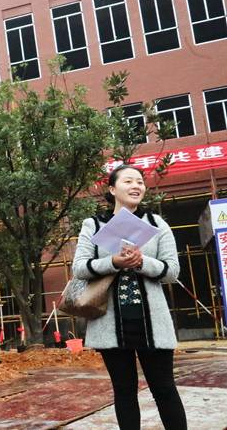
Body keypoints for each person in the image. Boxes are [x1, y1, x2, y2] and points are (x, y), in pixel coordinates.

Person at [72, 164, 186, 430]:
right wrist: (113, 261)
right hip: (110, 323)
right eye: (128, 181)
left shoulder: (157, 224)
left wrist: (142, 261)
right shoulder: (93, 224)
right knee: (124, 391)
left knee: (165, 389)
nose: (136, 186)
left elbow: (172, 271)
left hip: (152, 323)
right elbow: (79, 268)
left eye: (140, 182)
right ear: (112, 189)